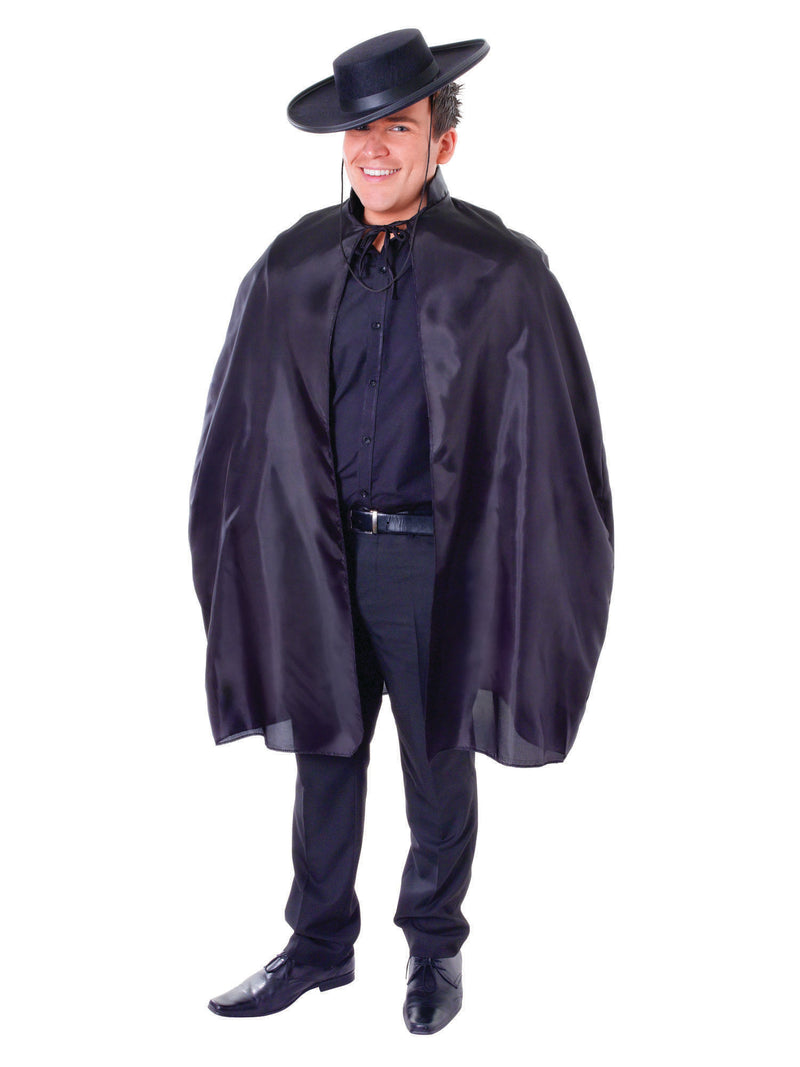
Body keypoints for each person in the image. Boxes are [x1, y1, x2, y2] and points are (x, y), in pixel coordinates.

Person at [189, 28, 614, 1036]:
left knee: (436, 756)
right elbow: (241, 419)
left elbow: (551, 438)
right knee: (325, 752)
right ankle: (317, 946)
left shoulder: (499, 271)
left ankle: (432, 944)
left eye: (398, 127)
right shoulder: (292, 263)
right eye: (359, 130)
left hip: (431, 557)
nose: (373, 148)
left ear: (441, 142)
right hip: (317, 550)